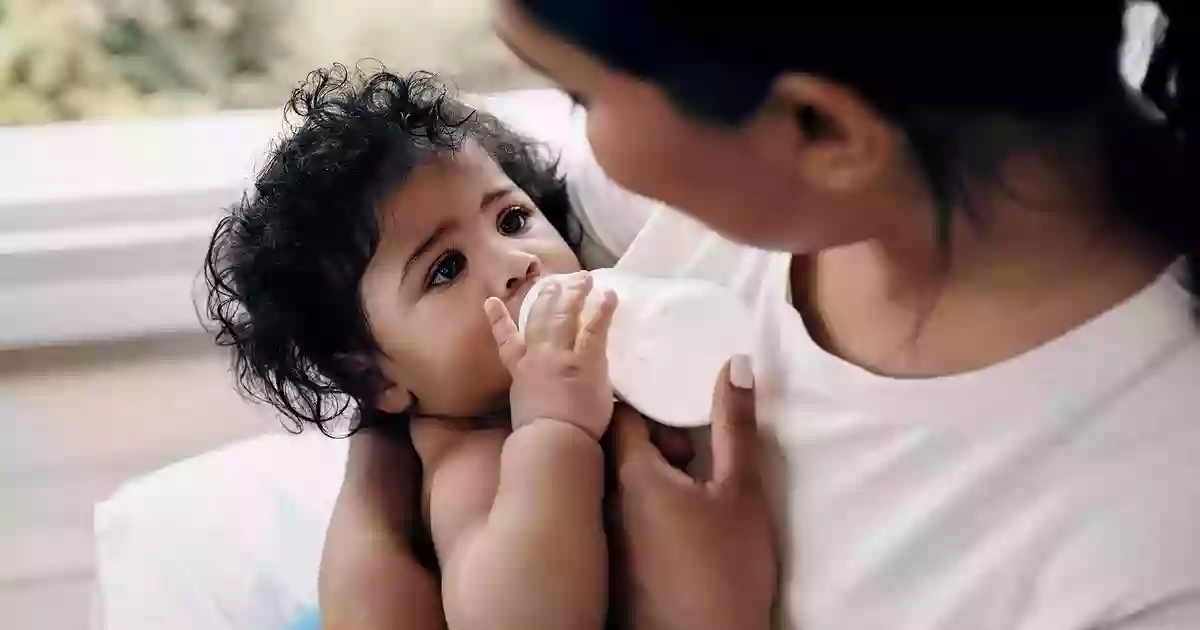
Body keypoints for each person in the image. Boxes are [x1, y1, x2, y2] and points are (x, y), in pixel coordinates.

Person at [322, 2, 1200, 629]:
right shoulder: (732, 169)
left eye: (582, 97)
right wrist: (378, 545)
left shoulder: (1149, 559)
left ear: (820, 129)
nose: (519, 251)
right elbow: (405, 360)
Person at [203, 65, 638, 630]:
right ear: (377, 381)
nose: (515, 264)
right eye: (446, 269)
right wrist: (554, 432)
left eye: (511, 219)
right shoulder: (471, 457)